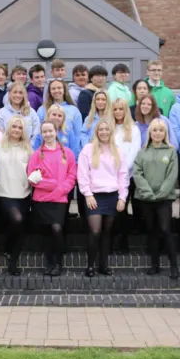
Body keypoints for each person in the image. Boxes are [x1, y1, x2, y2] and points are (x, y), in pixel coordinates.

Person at [77, 119, 128, 277]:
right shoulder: (88, 149)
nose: (104, 132)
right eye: (101, 130)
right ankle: (90, 265)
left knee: (107, 232)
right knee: (95, 230)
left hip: (112, 196)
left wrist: (122, 197)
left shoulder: (117, 151)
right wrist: (87, 194)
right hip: (94, 196)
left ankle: (103, 266)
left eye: (107, 129)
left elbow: (123, 176)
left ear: (111, 132)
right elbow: (83, 174)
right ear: (96, 132)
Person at [27, 121, 77, 276]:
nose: (48, 134)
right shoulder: (37, 154)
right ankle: (50, 263)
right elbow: (32, 178)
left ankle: (58, 261)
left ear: (56, 131)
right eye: (44, 132)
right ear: (41, 134)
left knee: (56, 228)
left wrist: (61, 189)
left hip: (59, 199)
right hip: (41, 199)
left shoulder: (67, 153)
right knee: (46, 233)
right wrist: (52, 184)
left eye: (50, 131)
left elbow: (72, 175)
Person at [132, 119, 179, 277]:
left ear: (165, 133)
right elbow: (137, 173)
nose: (157, 133)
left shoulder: (171, 152)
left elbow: (172, 175)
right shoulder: (143, 152)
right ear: (150, 133)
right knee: (151, 231)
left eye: (161, 130)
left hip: (164, 199)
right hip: (146, 198)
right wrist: (148, 192)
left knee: (165, 229)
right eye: (154, 130)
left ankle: (174, 266)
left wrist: (161, 193)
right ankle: (154, 265)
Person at [0, 116, 33, 275]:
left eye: (20, 128)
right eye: (14, 127)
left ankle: (12, 256)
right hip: (4, 191)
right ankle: (9, 251)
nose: (16, 130)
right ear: (8, 128)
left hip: (23, 193)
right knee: (16, 220)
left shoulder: (28, 149)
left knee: (20, 226)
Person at [111, 98, 142, 253]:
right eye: (115, 109)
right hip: (108, 176)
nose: (118, 112)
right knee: (111, 210)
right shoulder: (108, 127)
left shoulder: (133, 129)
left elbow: (134, 153)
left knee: (122, 208)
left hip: (126, 176)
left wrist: (122, 171)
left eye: (121, 109)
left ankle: (122, 242)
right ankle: (111, 240)